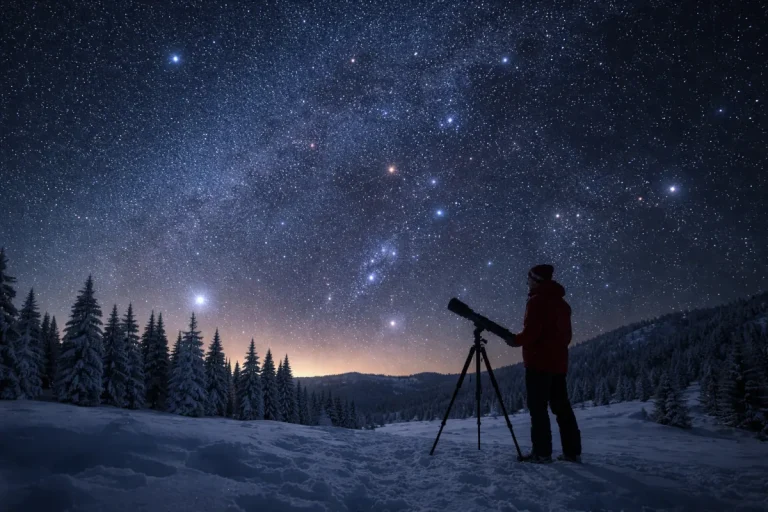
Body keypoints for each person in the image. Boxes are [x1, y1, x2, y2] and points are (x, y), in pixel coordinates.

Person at [505, 264, 582, 463]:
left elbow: (531, 333)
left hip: (538, 363)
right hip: (559, 364)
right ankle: (572, 452)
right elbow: (566, 337)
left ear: (537, 280)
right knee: (562, 408)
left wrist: (515, 340)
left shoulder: (537, 301)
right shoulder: (563, 305)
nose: (527, 283)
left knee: (538, 409)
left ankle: (542, 453)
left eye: (529, 279)